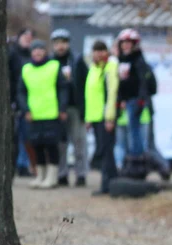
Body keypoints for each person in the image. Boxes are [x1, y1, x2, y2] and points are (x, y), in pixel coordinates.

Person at [18, 40, 68, 189]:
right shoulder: (26, 69)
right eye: (34, 50)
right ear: (31, 52)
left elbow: (63, 88)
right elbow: (21, 91)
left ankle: (52, 177)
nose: (37, 52)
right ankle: (40, 175)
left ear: (45, 52)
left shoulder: (54, 66)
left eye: (40, 49)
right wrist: (25, 109)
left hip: (51, 113)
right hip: (33, 114)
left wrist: (62, 108)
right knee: (36, 145)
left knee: (51, 145)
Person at [50, 28, 89, 187]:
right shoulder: (50, 63)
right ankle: (62, 174)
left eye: (63, 43)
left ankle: (81, 174)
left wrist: (85, 110)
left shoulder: (77, 61)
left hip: (75, 107)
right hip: (57, 109)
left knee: (79, 142)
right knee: (60, 144)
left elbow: (87, 85)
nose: (61, 46)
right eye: (57, 43)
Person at [84, 40, 119, 195]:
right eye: (96, 51)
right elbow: (90, 94)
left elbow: (111, 93)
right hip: (95, 117)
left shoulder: (110, 68)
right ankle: (110, 183)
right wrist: (88, 117)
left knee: (106, 151)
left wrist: (110, 117)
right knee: (104, 150)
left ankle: (108, 184)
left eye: (101, 50)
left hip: (105, 117)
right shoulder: (94, 68)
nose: (98, 54)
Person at [116, 29, 152, 162]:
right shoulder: (119, 60)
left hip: (135, 100)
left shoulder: (138, 60)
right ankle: (128, 160)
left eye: (128, 42)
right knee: (123, 137)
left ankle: (137, 158)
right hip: (123, 103)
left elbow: (143, 82)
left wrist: (141, 100)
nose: (126, 45)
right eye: (123, 42)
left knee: (135, 131)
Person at [9, 28, 35, 177]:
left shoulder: (32, 56)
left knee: (26, 135)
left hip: (29, 101)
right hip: (15, 100)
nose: (28, 39)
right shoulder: (12, 54)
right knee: (15, 136)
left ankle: (23, 164)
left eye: (30, 37)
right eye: (25, 36)